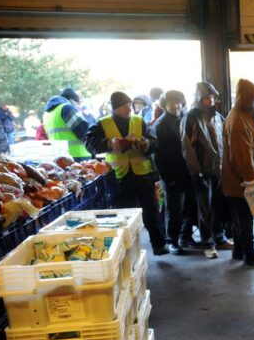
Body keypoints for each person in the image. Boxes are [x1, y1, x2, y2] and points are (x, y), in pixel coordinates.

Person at [84, 91, 168, 256]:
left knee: (151, 211)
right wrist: (110, 143)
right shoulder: (102, 124)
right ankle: (125, 250)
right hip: (118, 177)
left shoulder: (139, 120)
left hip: (143, 175)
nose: (129, 109)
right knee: (123, 215)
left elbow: (155, 141)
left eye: (130, 106)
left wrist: (145, 143)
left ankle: (159, 245)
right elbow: (89, 142)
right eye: (124, 107)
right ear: (115, 109)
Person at [221, 79, 254, 268]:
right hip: (240, 182)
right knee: (246, 219)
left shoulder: (242, 116)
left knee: (239, 218)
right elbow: (242, 156)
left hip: (236, 181)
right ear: (246, 98)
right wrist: (252, 183)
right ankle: (250, 254)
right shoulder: (239, 120)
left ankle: (239, 251)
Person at [183, 81, 233, 259]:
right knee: (205, 210)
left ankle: (219, 238)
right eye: (207, 97)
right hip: (202, 172)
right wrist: (196, 172)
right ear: (199, 98)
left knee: (218, 207)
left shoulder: (218, 117)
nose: (211, 100)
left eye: (212, 97)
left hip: (218, 171)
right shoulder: (192, 117)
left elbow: (225, 143)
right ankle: (208, 244)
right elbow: (187, 147)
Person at [152, 90, 195, 256]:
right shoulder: (160, 125)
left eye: (178, 102)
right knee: (174, 210)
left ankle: (186, 236)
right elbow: (158, 157)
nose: (175, 106)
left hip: (187, 172)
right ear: (164, 105)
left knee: (189, 207)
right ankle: (172, 241)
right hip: (172, 174)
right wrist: (167, 178)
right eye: (171, 103)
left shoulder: (183, 118)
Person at [42, 88, 92, 161]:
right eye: (77, 104)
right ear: (72, 100)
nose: (77, 108)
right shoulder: (67, 108)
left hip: (58, 157)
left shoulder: (47, 114)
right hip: (78, 156)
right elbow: (84, 130)